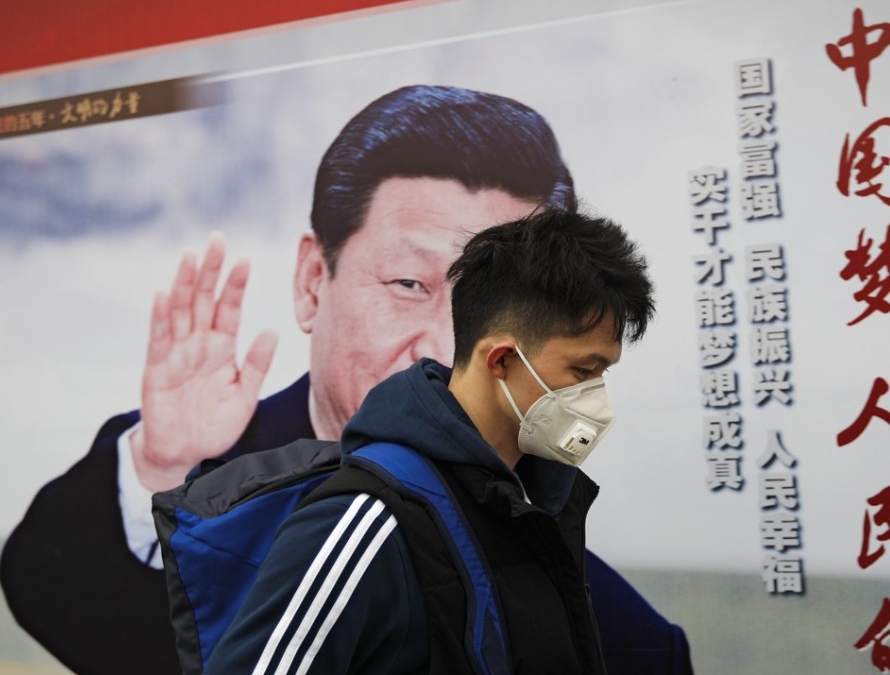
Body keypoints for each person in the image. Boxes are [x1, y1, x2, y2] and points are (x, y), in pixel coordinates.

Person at [2, 85, 692, 674]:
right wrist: (159, 464)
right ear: (312, 281)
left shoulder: (632, 641)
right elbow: (49, 589)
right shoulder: (227, 483)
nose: (448, 347)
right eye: (407, 283)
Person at [207, 208, 653, 674]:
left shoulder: (537, 501)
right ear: (500, 360)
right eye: (583, 371)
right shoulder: (369, 519)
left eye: (602, 373)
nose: (595, 396)